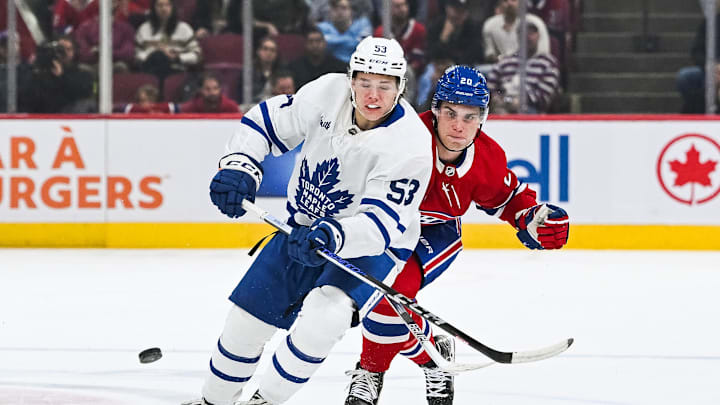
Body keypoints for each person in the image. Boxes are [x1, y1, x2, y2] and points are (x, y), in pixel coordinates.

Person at [183, 36, 433, 405]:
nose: (373, 96)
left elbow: (380, 225)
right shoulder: (325, 92)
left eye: (384, 86)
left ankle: (265, 401)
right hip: (300, 227)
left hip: (370, 248)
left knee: (324, 317)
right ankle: (212, 401)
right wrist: (241, 165)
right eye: (364, 82)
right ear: (350, 78)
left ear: (401, 87)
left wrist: (332, 234)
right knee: (245, 323)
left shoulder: (409, 144)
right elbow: (264, 123)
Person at [344, 65, 570, 405]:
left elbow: (510, 200)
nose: (458, 126)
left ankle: (371, 371)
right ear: (434, 111)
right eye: (450, 113)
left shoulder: (487, 159)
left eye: (470, 116)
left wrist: (534, 219)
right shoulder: (402, 133)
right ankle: (434, 354)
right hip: (383, 226)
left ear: (483, 119)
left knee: (389, 294)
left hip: (435, 234)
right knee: (379, 304)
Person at [486, 21, 560, 114]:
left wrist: (520, 100)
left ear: (538, 36)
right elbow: (489, 85)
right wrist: (498, 98)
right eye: (523, 33)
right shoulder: (507, 61)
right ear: (518, 37)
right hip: (502, 107)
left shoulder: (547, 63)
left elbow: (544, 97)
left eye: (531, 33)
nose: (527, 37)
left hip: (531, 109)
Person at [135, 0, 201, 81]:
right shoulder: (144, 29)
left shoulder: (184, 28)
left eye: (167, 5)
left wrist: (176, 57)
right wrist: (153, 55)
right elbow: (136, 54)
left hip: (176, 71)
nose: (164, 8)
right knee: (158, 56)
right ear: (153, 8)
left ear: (173, 7)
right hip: (150, 71)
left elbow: (196, 56)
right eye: (160, 5)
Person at [482, 0, 550, 63]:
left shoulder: (535, 22)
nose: (509, 3)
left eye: (513, 0)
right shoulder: (490, 24)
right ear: (500, 3)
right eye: (505, 0)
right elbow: (489, 53)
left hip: (531, 67)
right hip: (501, 67)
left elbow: (543, 53)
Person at [372, 0, 427, 72]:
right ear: (389, 10)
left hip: (410, 74)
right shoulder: (379, 33)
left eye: (404, 5)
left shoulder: (418, 29)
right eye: (398, 6)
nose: (403, 9)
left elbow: (418, 61)